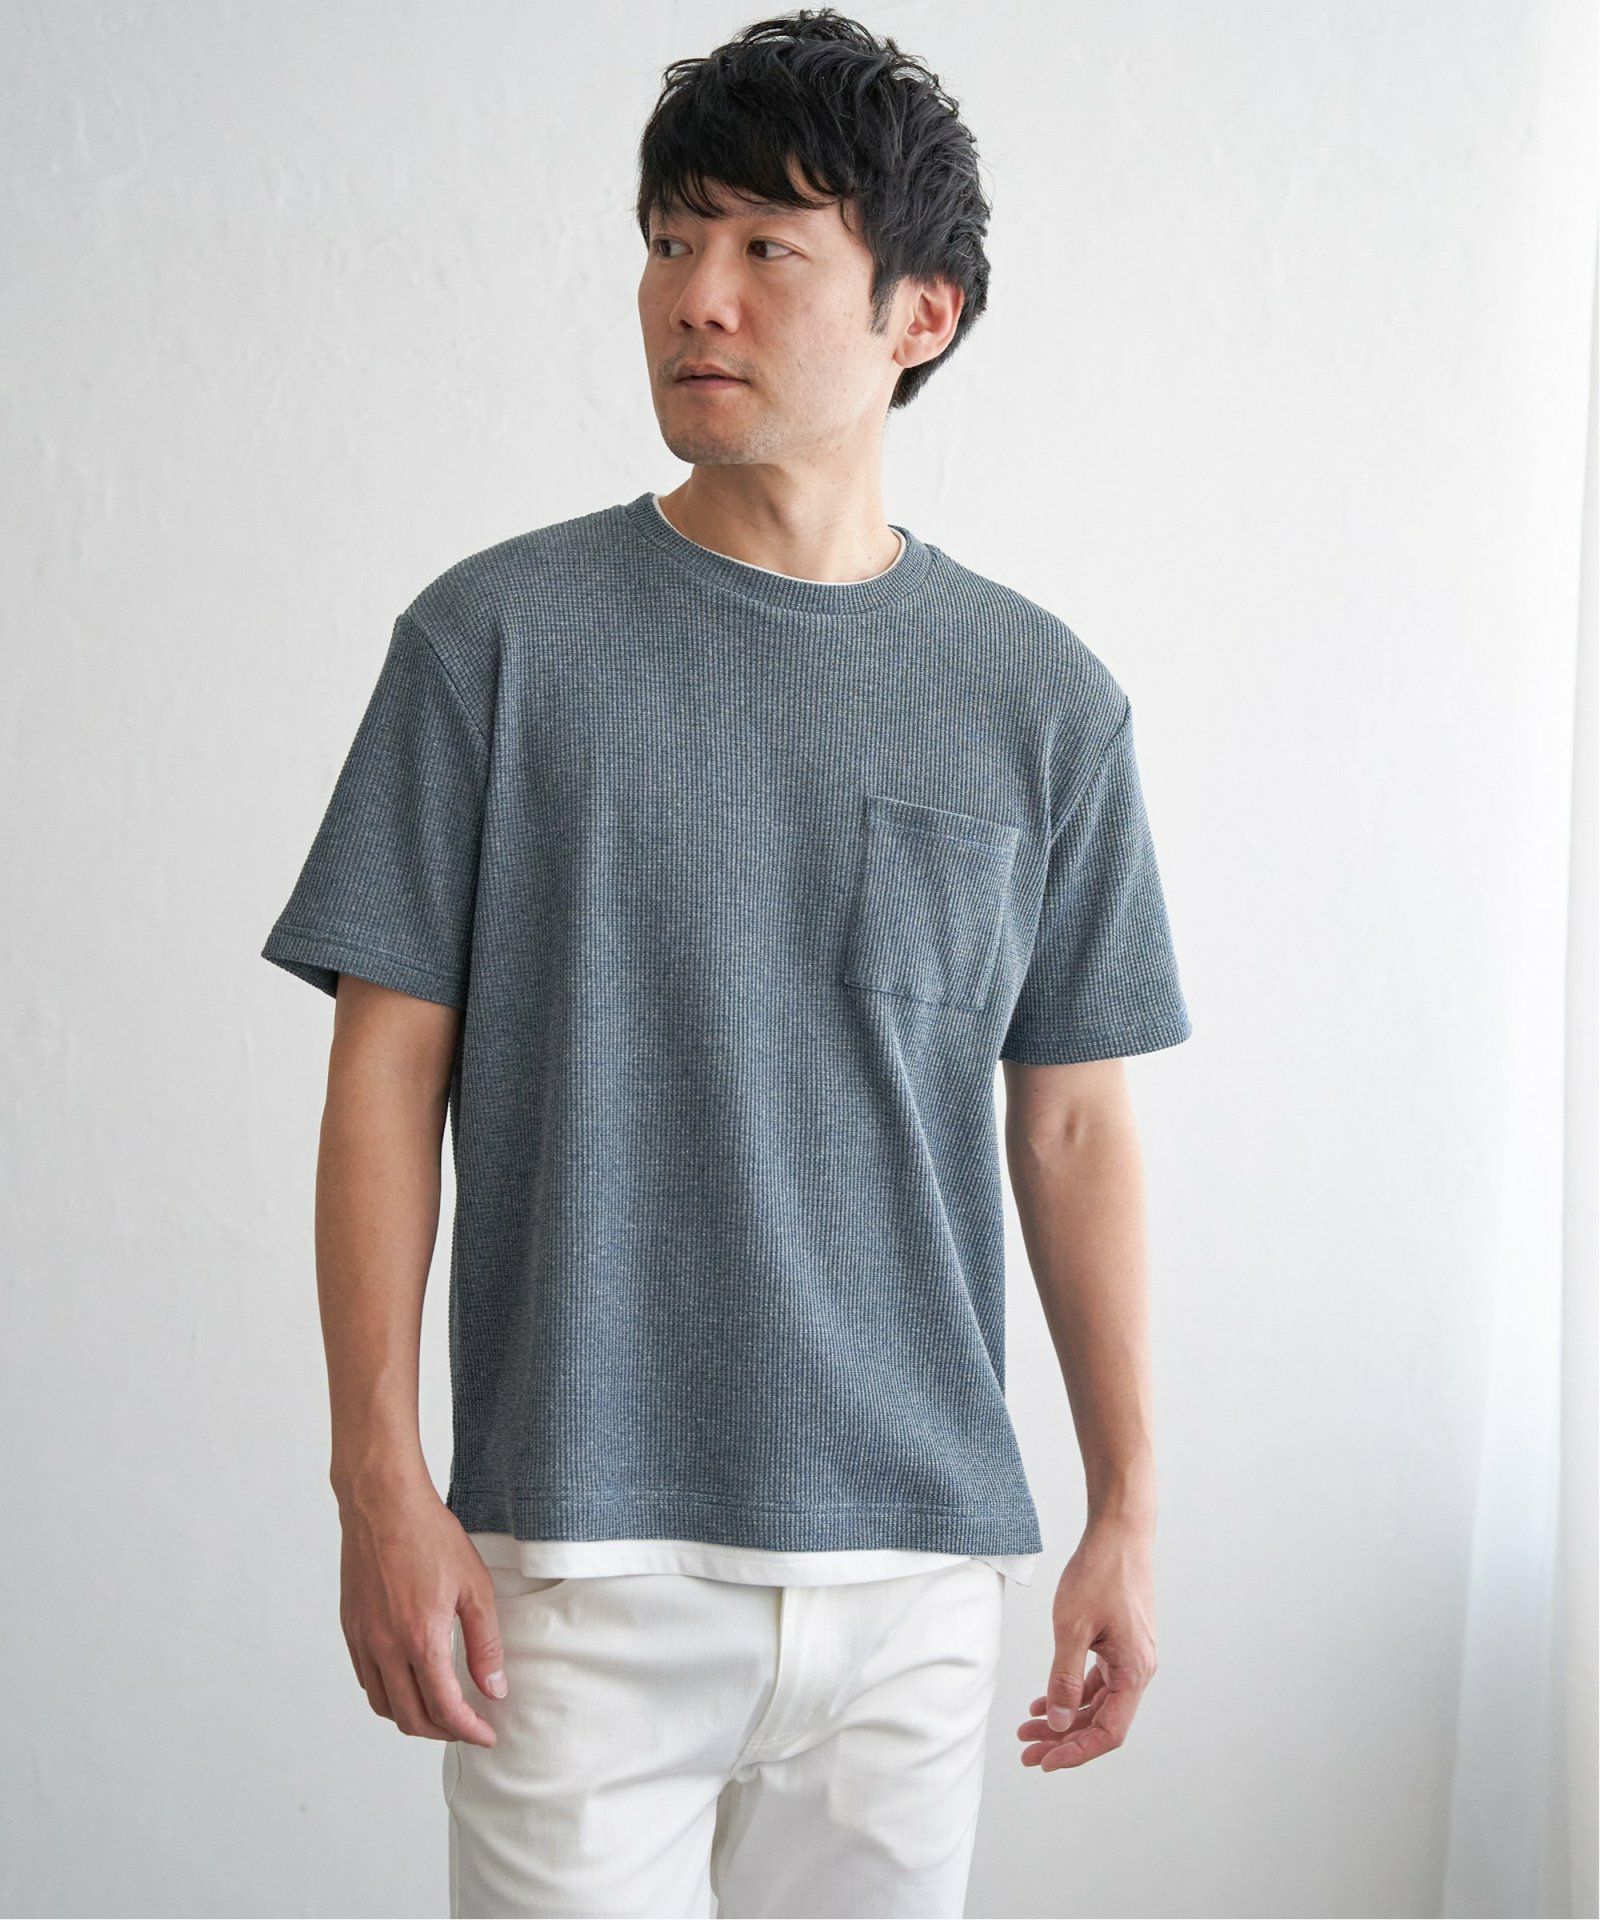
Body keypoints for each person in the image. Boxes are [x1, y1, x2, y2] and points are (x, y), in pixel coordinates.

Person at [260, 8, 1193, 1916]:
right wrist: (379, 1480)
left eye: (769, 247)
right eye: (673, 241)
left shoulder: (1043, 701)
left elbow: (1073, 1126)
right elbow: (384, 1074)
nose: (697, 294)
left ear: (918, 314)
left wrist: (1127, 1510)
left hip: (919, 1570)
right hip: (576, 1563)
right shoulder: (492, 643)